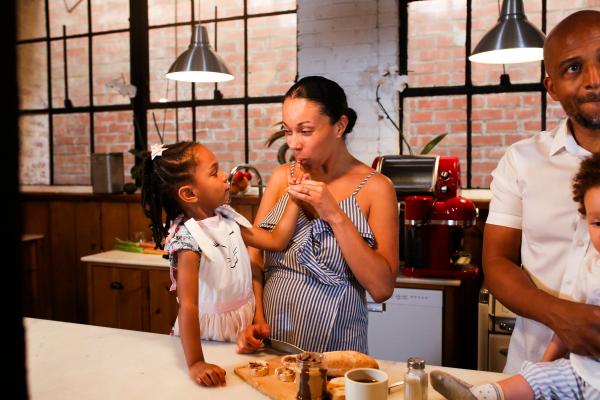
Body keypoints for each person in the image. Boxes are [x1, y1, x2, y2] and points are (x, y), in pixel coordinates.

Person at [236, 75, 400, 355]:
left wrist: (334, 214)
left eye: (305, 131)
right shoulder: (281, 178)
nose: (293, 144)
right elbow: (254, 256)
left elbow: (382, 288)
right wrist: (256, 317)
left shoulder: (376, 188)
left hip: (338, 349)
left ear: (340, 125)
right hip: (272, 341)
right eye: (288, 131)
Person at [482, 9, 600, 374]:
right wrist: (563, 316)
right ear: (551, 87)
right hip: (531, 370)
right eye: (573, 68)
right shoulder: (522, 161)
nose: (593, 80)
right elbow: (497, 262)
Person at [430, 152, 600, 400]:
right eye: (598, 223)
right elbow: (568, 325)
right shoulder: (590, 268)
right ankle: (481, 395)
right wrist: (546, 364)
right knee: (534, 377)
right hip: (579, 370)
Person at [140, 141, 305, 387]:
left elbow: (275, 240)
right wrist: (196, 362)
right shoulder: (188, 240)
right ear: (189, 194)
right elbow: (188, 307)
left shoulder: (228, 219)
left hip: (240, 330)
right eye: (214, 172)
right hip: (208, 337)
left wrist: (295, 198)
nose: (225, 176)